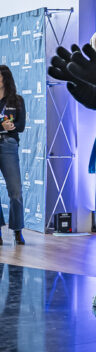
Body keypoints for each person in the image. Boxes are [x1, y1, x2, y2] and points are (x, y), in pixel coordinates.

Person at [0, 65, 26, 245]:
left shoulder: (17, 100)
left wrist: (11, 126)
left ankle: (17, 231)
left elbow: (21, 126)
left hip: (9, 144)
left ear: (5, 78)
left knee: (15, 191)